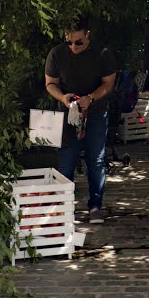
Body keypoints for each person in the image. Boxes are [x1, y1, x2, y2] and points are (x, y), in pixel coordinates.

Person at [44, 15, 118, 225]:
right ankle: (63, 208)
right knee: (66, 160)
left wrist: (91, 98)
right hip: (68, 113)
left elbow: (108, 83)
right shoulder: (57, 54)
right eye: (69, 42)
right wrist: (63, 97)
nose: (73, 46)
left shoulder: (102, 53)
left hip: (96, 111)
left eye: (79, 42)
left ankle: (95, 206)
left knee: (95, 159)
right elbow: (50, 83)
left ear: (88, 36)